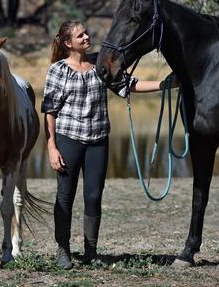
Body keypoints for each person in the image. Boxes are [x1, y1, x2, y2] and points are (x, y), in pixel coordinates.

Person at [41, 20, 176, 270]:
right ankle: (63, 250)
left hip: (98, 141)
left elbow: (129, 84)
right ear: (68, 43)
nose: (86, 37)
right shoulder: (58, 70)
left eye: (86, 33)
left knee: (93, 196)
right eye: (80, 35)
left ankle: (91, 252)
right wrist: (51, 146)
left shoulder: (100, 64)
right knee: (65, 196)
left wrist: (163, 85)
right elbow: (49, 110)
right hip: (68, 139)